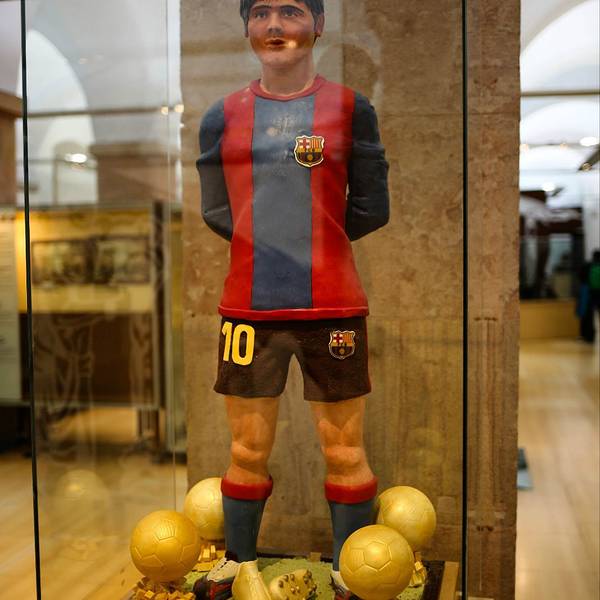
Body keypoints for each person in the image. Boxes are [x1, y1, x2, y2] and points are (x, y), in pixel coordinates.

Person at [194, 1, 389, 598]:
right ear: (246, 28)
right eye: (261, 14)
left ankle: (349, 571)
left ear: (318, 25)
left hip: (333, 311)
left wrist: (316, 244)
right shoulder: (221, 115)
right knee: (245, 449)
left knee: (345, 450)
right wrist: (272, 245)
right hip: (247, 312)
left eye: (291, 11)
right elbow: (216, 211)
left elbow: (371, 207)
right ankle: (238, 563)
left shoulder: (352, 108)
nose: (274, 26)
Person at [579, 249, 600, 343]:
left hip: (590, 293)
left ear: (593, 256)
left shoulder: (587, 265)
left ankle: (589, 337)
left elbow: (580, 277)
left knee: (589, 316)